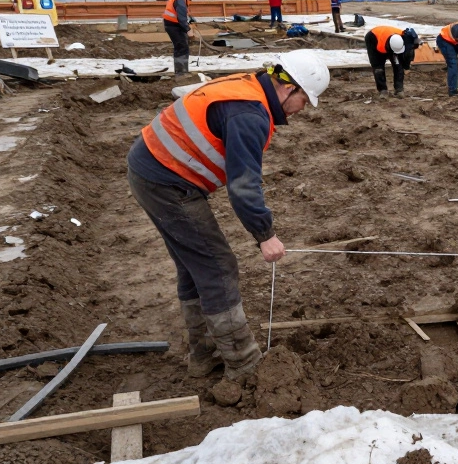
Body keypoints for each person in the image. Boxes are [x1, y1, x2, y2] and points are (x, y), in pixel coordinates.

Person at [126, 51, 330, 380]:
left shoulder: (248, 87)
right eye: (305, 99)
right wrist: (266, 235)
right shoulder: (249, 114)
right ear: (288, 88)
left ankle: (203, 355)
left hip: (153, 170)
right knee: (218, 266)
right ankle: (244, 366)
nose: (303, 109)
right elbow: (244, 187)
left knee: (196, 266)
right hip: (166, 181)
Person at [365, 24, 417, 97]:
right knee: (378, 67)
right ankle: (383, 90)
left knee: (398, 65)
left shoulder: (402, 38)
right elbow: (378, 60)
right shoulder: (381, 46)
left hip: (390, 39)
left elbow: (406, 55)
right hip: (373, 38)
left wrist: (406, 66)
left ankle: (399, 89)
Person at [163, 0, 199, 80]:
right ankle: (180, 73)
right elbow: (181, 17)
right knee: (181, 47)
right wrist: (188, 30)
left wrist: (190, 18)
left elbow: (183, 13)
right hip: (173, 26)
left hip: (174, 25)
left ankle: (182, 71)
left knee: (182, 47)